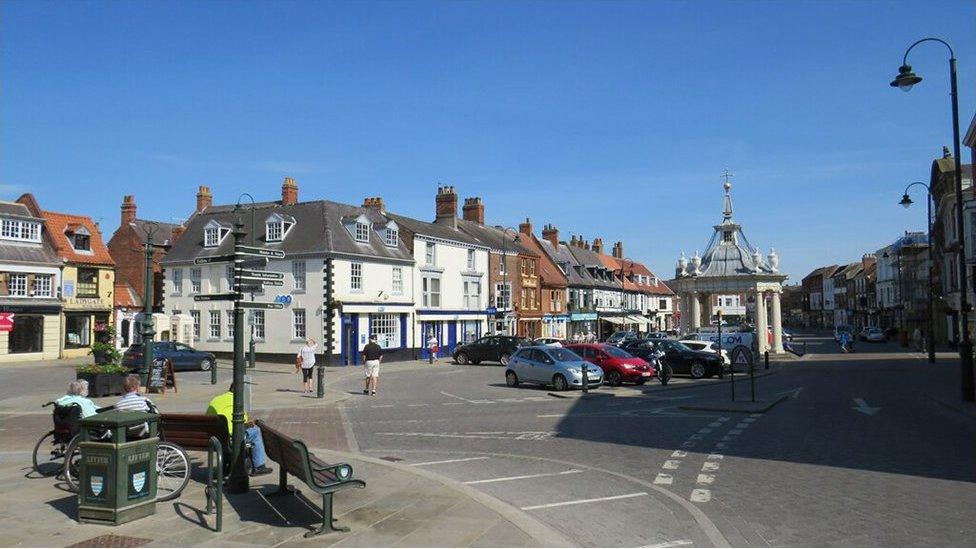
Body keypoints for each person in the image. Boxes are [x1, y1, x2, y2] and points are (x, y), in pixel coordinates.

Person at [206, 385, 273, 476]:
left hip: (216, 440)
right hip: (231, 438)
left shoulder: (216, 400)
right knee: (256, 432)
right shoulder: (238, 402)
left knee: (225, 436)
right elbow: (242, 425)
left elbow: (207, 418)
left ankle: (225, 466)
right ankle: (259, 466)